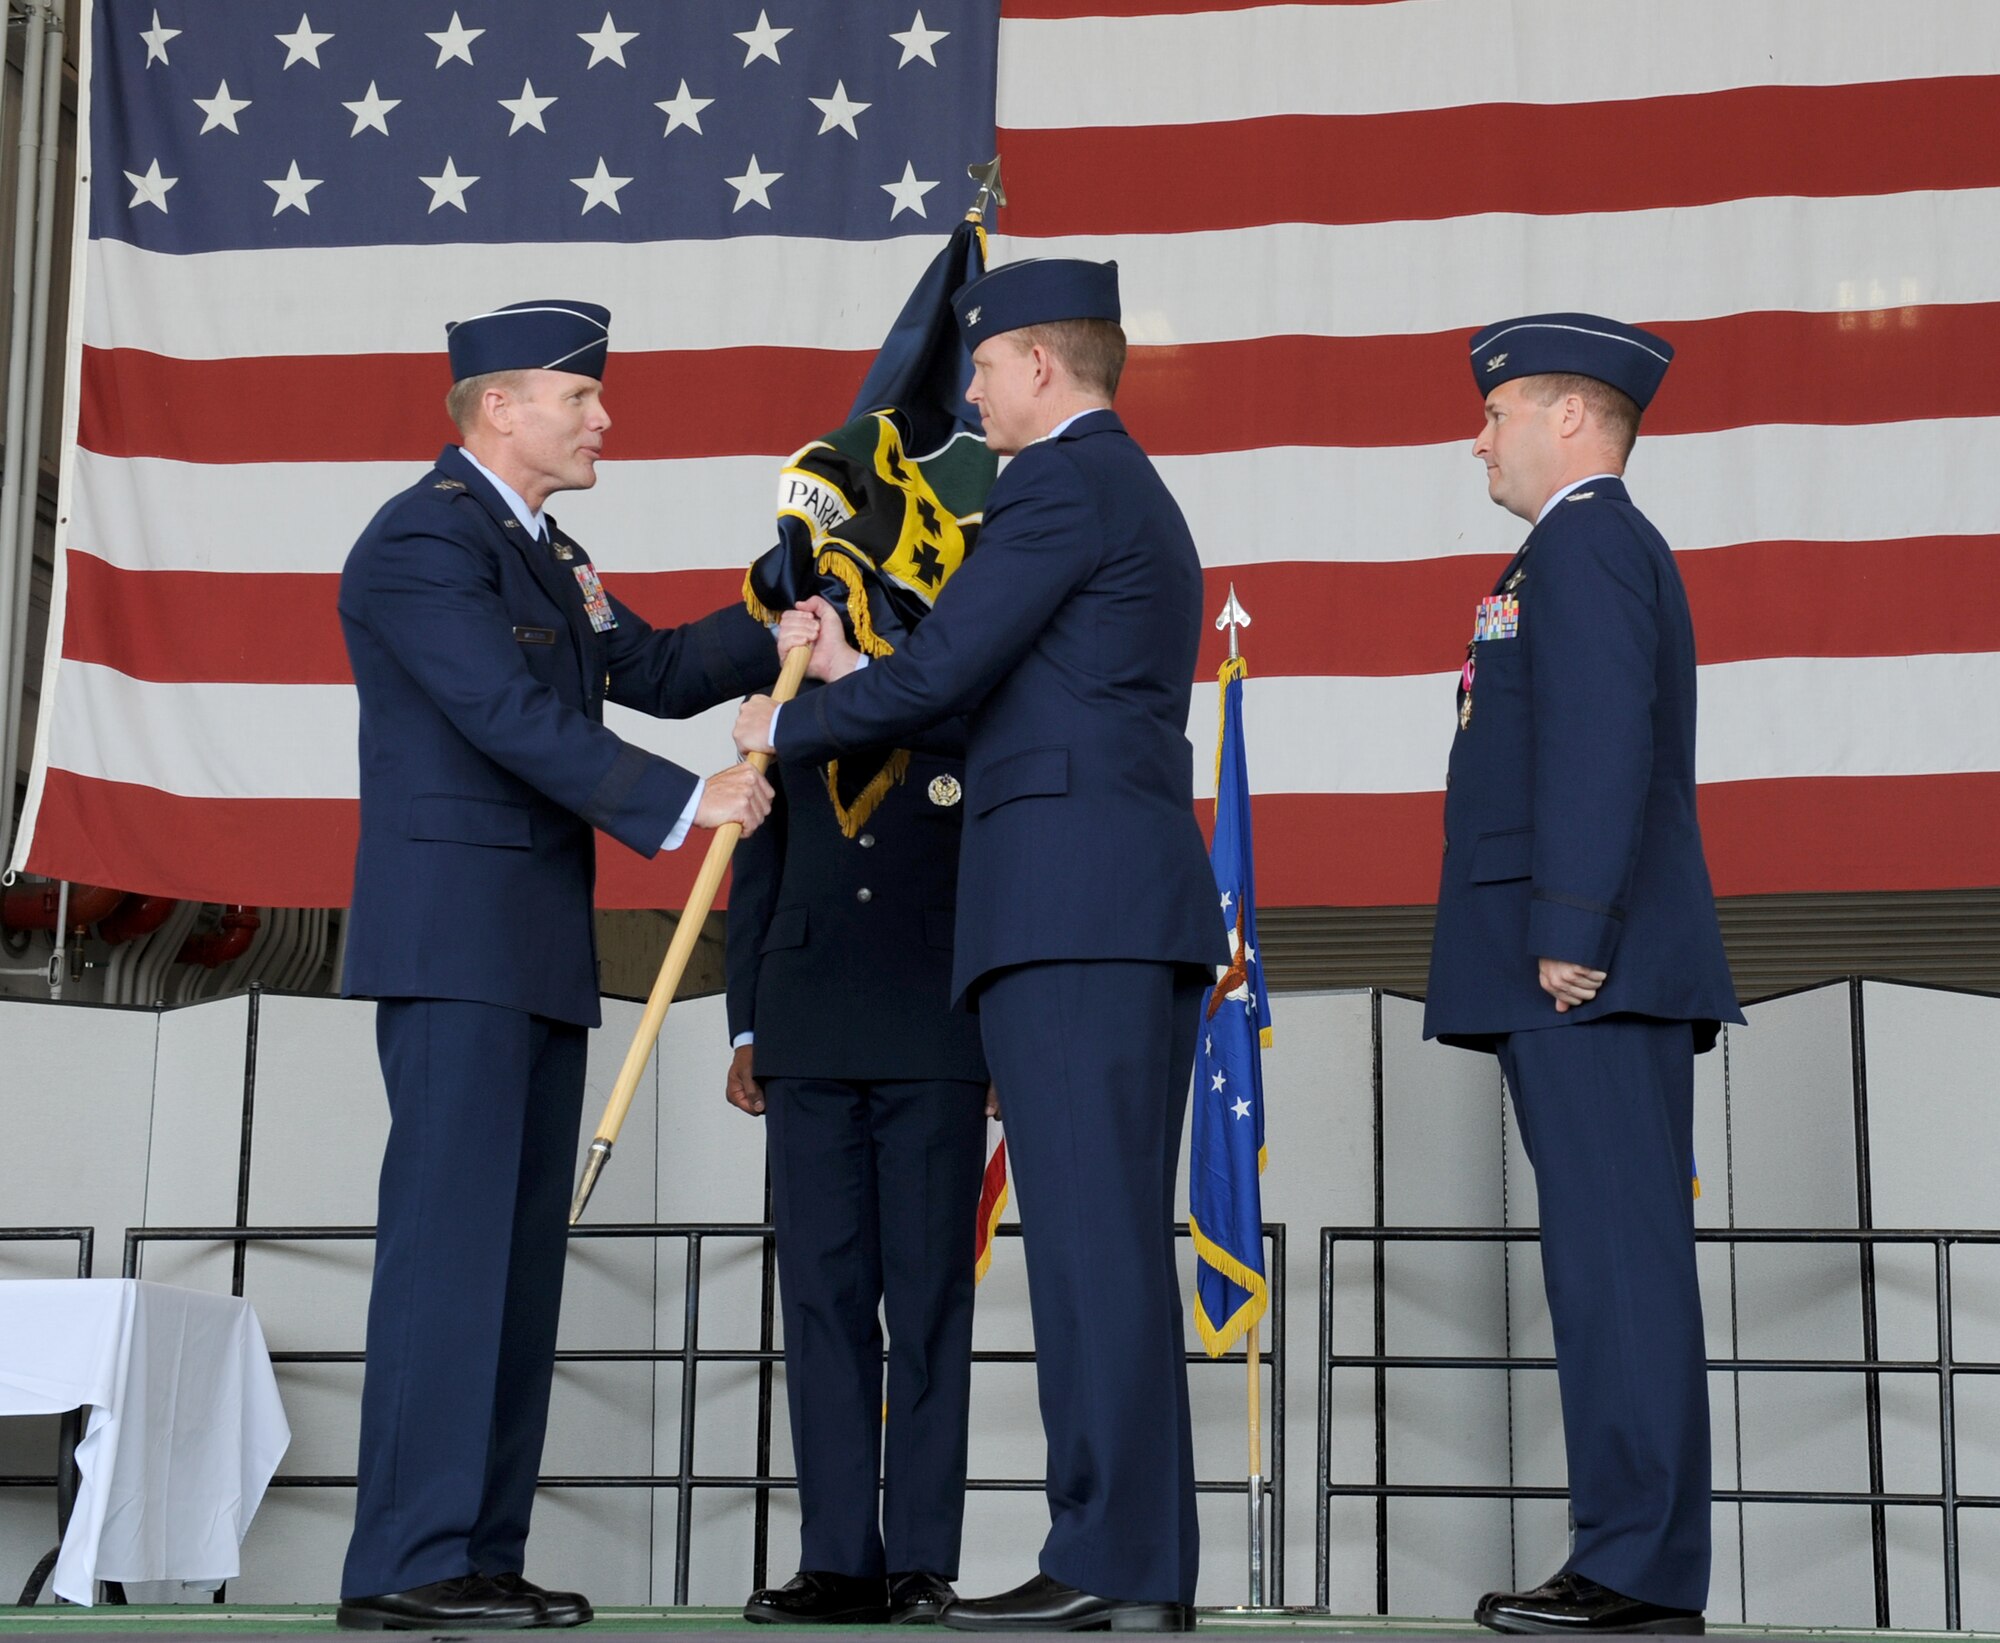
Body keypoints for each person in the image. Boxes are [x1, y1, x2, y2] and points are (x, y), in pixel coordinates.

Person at [735, 257, 1224, 1634]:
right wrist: (847, 679)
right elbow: (991, 697)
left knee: (1091, 1246)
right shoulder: (1109, 486)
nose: (971, 391)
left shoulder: (1060, 483)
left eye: (989, 367)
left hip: (1078, 914)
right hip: (1102, 907)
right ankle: (1133, 1565)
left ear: (1042, 369)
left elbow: (949, 668)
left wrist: (793, 724)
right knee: (1100, 1241)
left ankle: (1112, 1560)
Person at [336, 299, 776, 1632]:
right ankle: (406, 1559)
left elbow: (649, 662)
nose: (603, 418)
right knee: (449, 1252)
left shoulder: (546, 550)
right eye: (578, 398)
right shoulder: (424, 537)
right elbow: (501, 709)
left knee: (519, 1261)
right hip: (455, 942)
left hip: (529, 946)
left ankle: (475, 1549)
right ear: (497, 407)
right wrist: (683, 802)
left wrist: (790, 597)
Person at [1423, 313, 1743, 1636]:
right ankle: (1624, 1548)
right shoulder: (1567, 549)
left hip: (1584, 967)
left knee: (1617, 1266)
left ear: (1568, 419)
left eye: (1498, 414)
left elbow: (1606, 740)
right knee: (1602, 1264)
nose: (1478, 437)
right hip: (1575, 962)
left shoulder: (1591, 542)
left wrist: (1572, 926)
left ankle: (1635, 1565)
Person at [725, 686, 990, 1627]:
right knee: (823, 1300)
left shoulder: (961, 711)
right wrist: (746, 1023)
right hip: (806, 1025)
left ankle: (919, 1558)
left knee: (928, 1302)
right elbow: (755, 874)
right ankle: (836, 1558)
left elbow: (995, 877)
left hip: (937, 1029)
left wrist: (1000, 1028)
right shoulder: (789, 719)